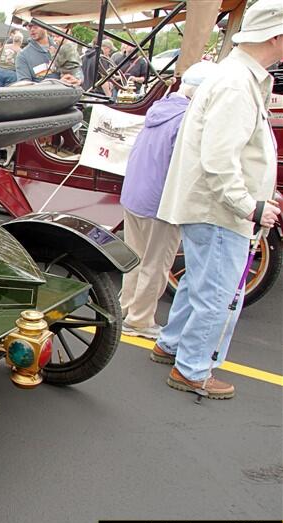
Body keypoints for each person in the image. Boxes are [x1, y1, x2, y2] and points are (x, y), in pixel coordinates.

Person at [152, 0, 282, 399]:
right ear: (276, 36)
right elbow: (220, 159)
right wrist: (250, 204)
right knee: (219, 291)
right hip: (220, 208)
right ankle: (192, 369)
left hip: (210, 204)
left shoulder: (234, 76)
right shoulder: (237, 82)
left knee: (200, 282)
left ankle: (171, 344)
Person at [119, 61, 217, 340]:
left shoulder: (161, 109)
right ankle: (140, 319)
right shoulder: (188, 120)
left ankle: (127, 307)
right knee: (156, 264)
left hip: (134, 194)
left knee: (135, 259)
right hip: (160, 202)